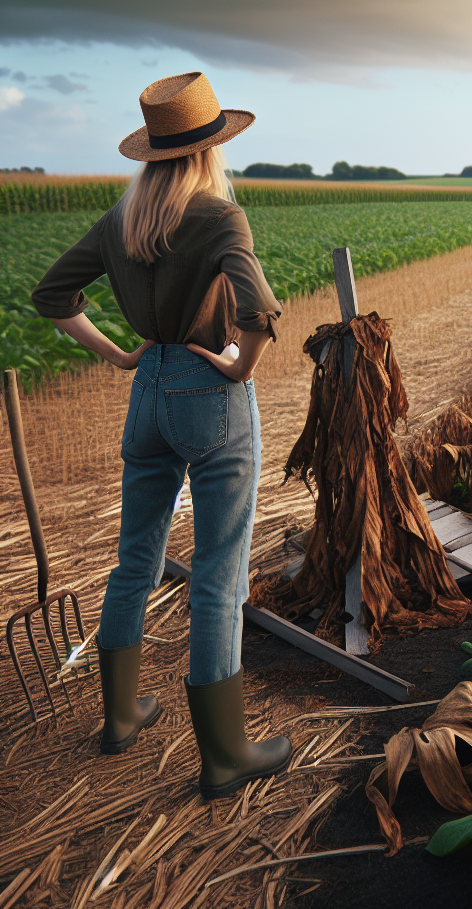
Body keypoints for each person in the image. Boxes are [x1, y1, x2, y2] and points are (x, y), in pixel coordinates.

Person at [31, 71, 291, 799]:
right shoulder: (218, 217)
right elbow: (260, 312)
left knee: (133, 560)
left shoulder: (122, 222)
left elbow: (50, 294)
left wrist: (116, 353)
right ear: (211, 149)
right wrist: (241, 367)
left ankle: (119, 720)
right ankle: (225, 753)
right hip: (210, 398)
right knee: (216, 572)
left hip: (146, 396)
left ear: (152, 151)